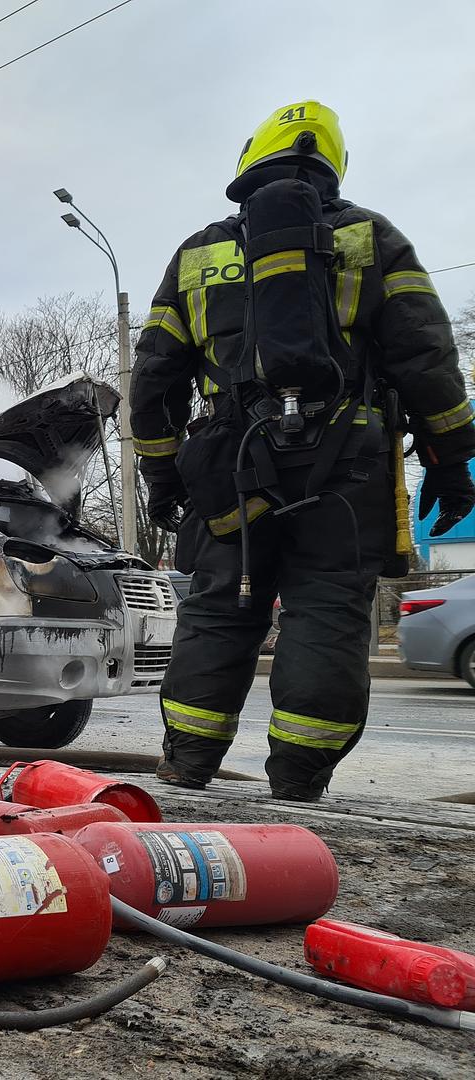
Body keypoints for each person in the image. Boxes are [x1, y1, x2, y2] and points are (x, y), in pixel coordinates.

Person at [132, 100, 475, 801]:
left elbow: (154, 379)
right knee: (325, 615)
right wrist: (452, 459)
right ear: (333, 165)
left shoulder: (201, 254)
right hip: (346, 476)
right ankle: (296, 786)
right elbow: (427, 358)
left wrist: (162, 474)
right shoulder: (373, 239)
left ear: (249, 161)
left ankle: (186, 768)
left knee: (220, 612)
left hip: (231, 472)